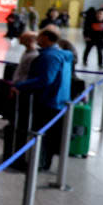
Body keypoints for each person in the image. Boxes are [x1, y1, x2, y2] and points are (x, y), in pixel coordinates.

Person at [13, 29, 73, 170]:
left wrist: (20, 86)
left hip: (49, 100)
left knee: (42, 134)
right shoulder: (62, 55)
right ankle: (43, 162)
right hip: (59, 100)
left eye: (39, 36)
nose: (37, 39)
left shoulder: (50, 57)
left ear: (46, 38)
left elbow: (46, 79)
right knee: (49, 135)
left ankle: (38, 164)